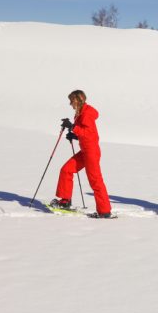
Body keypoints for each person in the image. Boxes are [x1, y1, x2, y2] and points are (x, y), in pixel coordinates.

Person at [50, 90, 113, 218]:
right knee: (66, 169)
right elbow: (85, 133)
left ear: (78, 100)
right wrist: (74, 135)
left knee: (95, 181)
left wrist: (73, 128)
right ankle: (65, 201)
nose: (70, 104)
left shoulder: (87, 114)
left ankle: (104, 211)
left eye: (71, 101)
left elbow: (89, 134)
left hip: (91, 152)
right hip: (85, 151)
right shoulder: (81, 112)